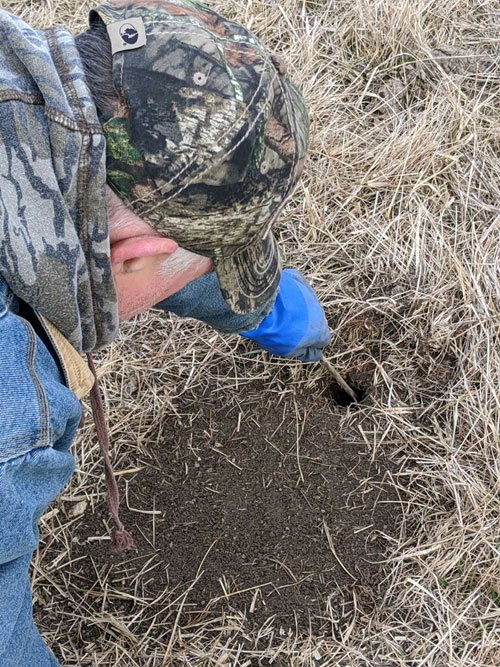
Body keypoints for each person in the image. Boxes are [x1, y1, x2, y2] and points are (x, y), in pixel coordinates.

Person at [0, 1, 330, 664]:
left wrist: (258, 305)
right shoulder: (11, 424)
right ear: (131, 252)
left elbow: (142, 233)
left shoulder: (40, 93)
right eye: (204, 265)